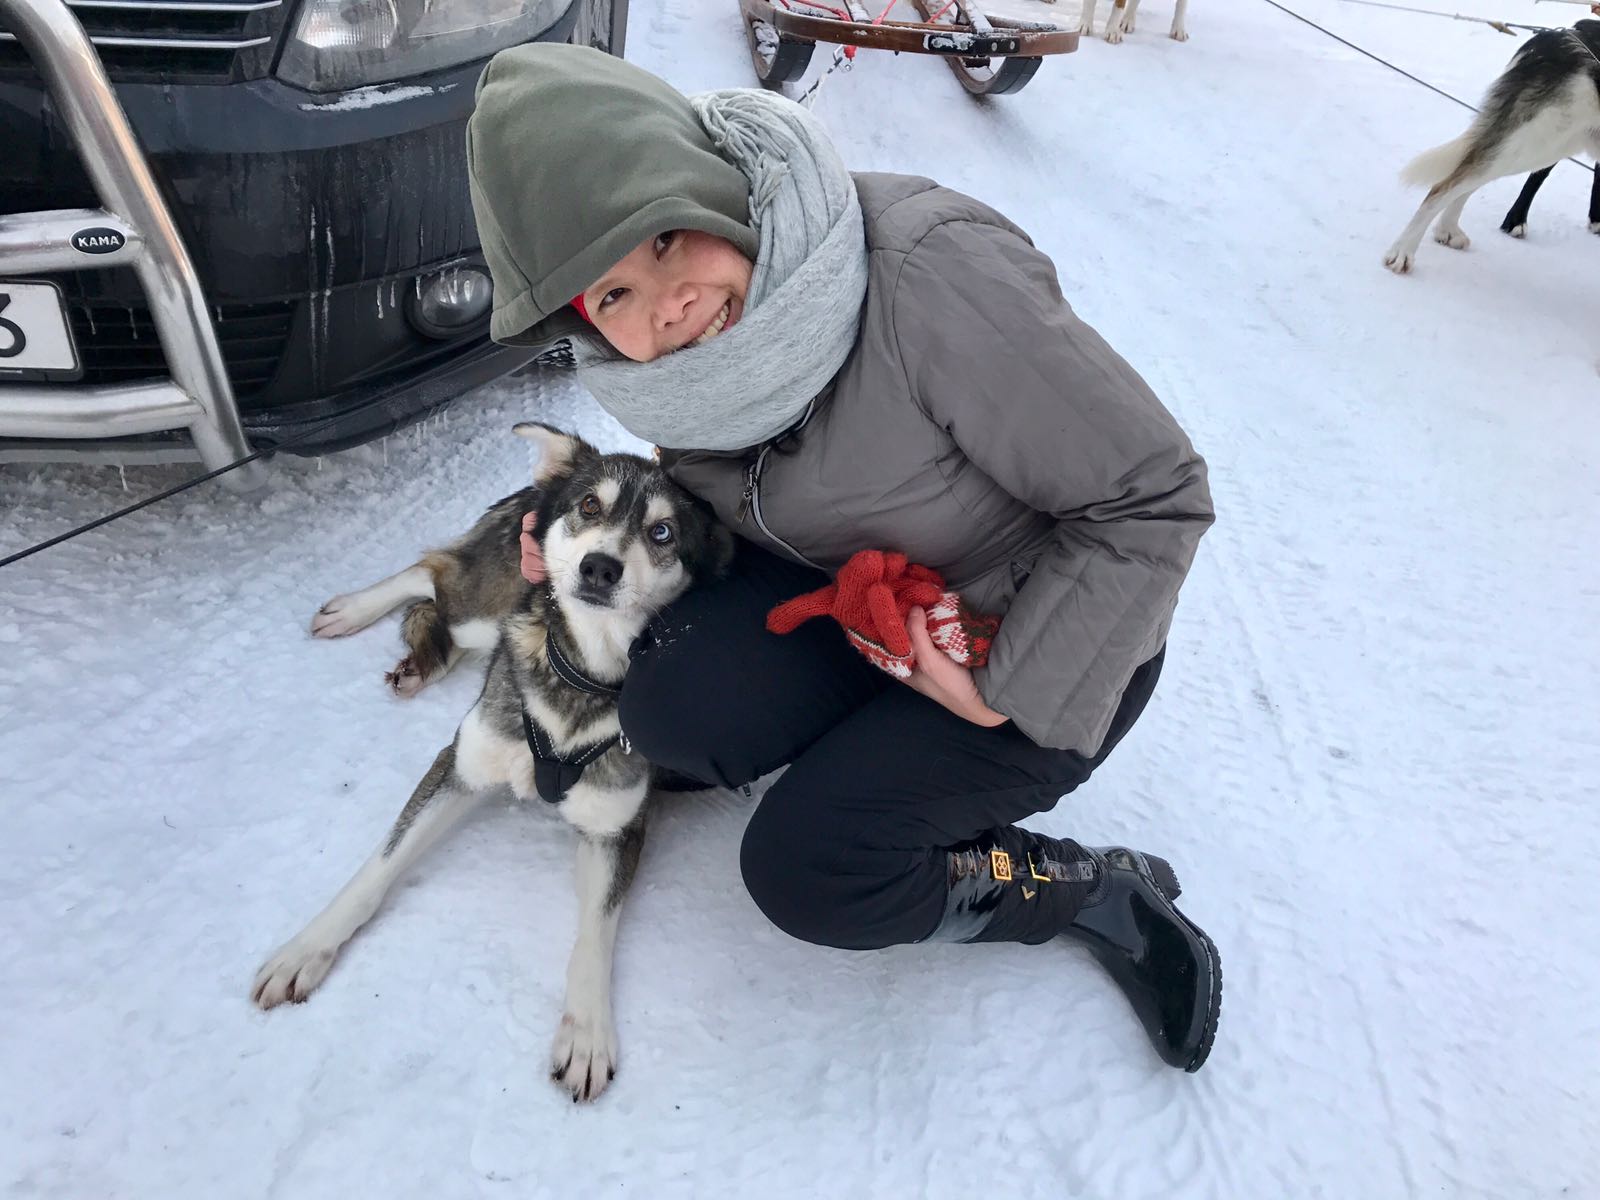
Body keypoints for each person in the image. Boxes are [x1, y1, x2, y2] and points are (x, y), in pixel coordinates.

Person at [466, 44, 1220, 1070]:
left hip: (1039, 638)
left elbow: (1151, 496)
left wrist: (997, 691)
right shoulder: (693, 374)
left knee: (815, 870)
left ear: (713, 191)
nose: (665, 306)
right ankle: (855, 751)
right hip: (852, 606)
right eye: (611, 298)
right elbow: (721, 486)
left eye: (665, 238)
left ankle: (1087, 893)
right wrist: (568, 520)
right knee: (670, 709)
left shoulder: (924, 275)